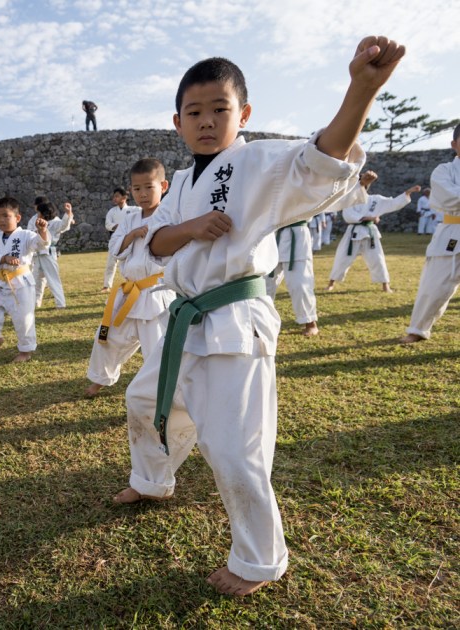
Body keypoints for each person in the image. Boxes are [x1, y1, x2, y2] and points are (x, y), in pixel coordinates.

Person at [118, 37, 403, 597]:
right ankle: (152, 480)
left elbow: (317, 162)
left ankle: (257, 560)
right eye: (195, 112)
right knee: (145, 400)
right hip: (186, 321)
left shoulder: (256, 162)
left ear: (243, 114)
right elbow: (148, 248)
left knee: (233, 448)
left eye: (220, 110)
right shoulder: (179, 185)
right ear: (177, 122)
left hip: (233, 320)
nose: (207, 121)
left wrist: (361, 90)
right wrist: (191, 229)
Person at [85, 158, 173, 397]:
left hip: (156, 293)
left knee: (157, 349)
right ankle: (100, 378)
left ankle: (162, 393)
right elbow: (115, 248)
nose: (142, 194)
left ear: (163, 186)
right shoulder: (129, 219)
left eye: (149, 187)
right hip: (128, 293)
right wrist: (133, 234)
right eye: (137, 189)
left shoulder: (172, 216)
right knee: (108, 338)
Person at [401, 123, 460, 344]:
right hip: (453, 232)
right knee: (435, 285)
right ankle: (418, 329)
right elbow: (448, 198)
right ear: (454, 144)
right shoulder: (444, 171)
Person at [0, 196, 50, 362]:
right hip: (0, 283)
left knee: (23, 318)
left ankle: (25, 351)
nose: (1, 220)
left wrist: (43, 231)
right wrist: (4, 258)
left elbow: (40, 244)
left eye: (6, 216)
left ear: (17, 218)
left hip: (21, 283)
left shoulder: (26, 235)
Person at [326, 172, 420, 293]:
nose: (362, 187)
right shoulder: (348, 200)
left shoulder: (375, 199)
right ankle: (331, 283)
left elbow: (393, 203)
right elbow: (348, 216)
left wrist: (408, 192)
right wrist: (370, 218)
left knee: (377, 259)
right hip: (353, 233)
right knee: (342, 258)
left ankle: (385, 285)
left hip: (370, 233)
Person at [265, 217, 320, 336]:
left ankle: (310, 322)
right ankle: (262, 319)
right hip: (273, 234)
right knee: (265, 283)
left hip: (298, 236)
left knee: (300, 283)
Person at [29, 198, 74, 309]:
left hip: (49, 254)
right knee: (37, 280)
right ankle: (35, 302)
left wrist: (68, 213)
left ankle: (60, 304)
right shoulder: (35, 220)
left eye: (39, 212)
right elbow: (30, 233)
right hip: (37, 254)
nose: (37, 214)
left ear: (45, 213)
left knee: (53, 279)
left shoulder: (55, 222)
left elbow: (64, 225)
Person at [102, 188, 138, 292]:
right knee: (110, 263)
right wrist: (117, 226)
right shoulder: (112, 211)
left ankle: (131, 283)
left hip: (129, 240)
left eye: (117, 196)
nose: (114, 198)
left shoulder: (133, 209)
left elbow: (145, 212)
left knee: (129, 263)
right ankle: (106, 285)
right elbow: (107, 224)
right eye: (114, 196)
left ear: (124, 197)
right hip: (116, 239)